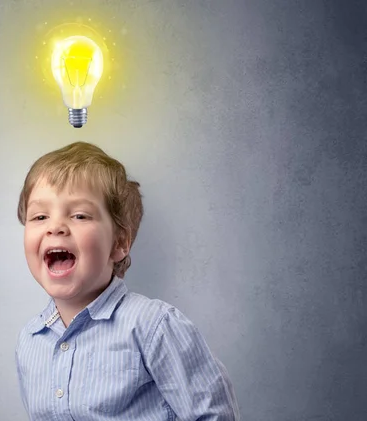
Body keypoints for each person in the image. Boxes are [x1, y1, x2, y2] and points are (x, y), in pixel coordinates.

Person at [15, 141, 240, 420]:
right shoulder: (30, 341)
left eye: (80, 215)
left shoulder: (154, 326)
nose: (55, 226)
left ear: (119, 243)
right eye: (40, 216)